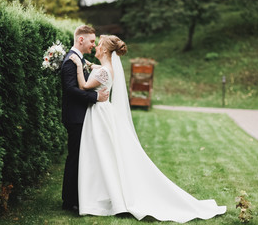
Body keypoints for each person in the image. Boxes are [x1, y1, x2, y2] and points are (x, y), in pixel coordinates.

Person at [69, 35, 227, 223]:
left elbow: (84, 85)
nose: (95, 46)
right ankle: (101, 194)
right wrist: (86, 63)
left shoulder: (103, 71)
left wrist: (78, 66)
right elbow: (96, 70)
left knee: (102, 154)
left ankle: (100, 197)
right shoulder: (104, 69)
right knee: (103, 155)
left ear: (103, 50)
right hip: (101, 113)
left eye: (99, 44)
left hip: (99, 114)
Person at [60, 25, 109, 211]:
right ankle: (69, 200)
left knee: (80, 157)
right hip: (75, 117)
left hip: (81, 116)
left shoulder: (79, 60)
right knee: (75, 158)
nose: (93, 45)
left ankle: (77, 197)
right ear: (81, 39)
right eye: (91, 41)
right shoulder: (70, 62)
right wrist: (95, 97)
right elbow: (71, 90)